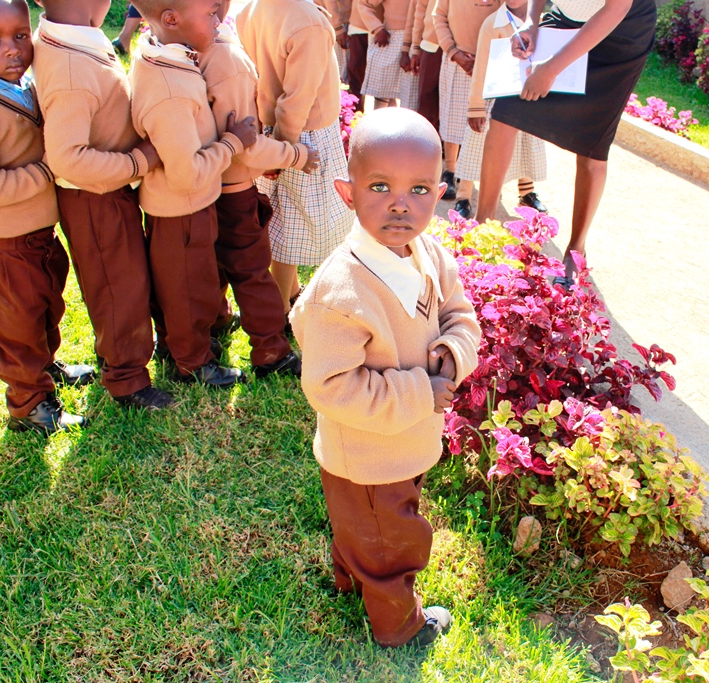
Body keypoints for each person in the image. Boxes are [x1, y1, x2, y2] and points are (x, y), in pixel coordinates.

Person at [291, 108, 480, 648]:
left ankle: (352, 579)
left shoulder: (426, 252)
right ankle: (400, 624)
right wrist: (421, 390)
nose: (402, 204)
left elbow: (460, 314)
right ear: (347, 193)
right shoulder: (341, 292)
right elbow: (330, 386)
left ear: (440, 192)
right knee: (388, 540)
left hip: (406, 440)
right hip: (366, 455)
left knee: (369, 530)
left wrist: (451, 352)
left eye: (419, 189)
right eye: (380, 187)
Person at [0, 0, 95, 434]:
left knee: (47, 307)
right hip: (6, 242)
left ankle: (46, 367)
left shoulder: (18, 83)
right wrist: (49, 168)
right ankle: (28, 403)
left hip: (38, 232)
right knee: (18, 324)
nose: (12, 49)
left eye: (20, 36)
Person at [32, 0, 175, 411]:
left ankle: (117, 355)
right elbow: (67, 156)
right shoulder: (71, 67)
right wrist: (138, 161)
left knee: (124, 279)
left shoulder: (71, 37)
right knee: (118, 286)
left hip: (108, 188)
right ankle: (126, 378)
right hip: (94, 195)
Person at [477, 0, 657, 284]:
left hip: (620, 34)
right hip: (567, 20)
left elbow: (615, 8)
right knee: (506, 110)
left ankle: (576, 249)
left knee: (593, 146)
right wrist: (531, 22)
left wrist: (551, 69)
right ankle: (482, 226)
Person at [128, 0, 257, 388]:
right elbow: (186, 174)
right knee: (188, 288)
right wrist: (233, 144)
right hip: (182, 207)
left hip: (182, 205)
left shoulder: (161, 55)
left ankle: (178, 344)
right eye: (210, 14)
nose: (219, 20)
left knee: (183, 282)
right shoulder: (170, 89)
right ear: (171, 19)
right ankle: (192, 362)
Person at [200, 3, 322, 378]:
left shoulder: (181, 48)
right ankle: (271, 350)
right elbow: (247, 141)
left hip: (206, 182)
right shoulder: (227, 60)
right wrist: (294, 154)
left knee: (214, 262)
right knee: (253, 271)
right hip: (235, 183)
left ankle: (216, 324)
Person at [236, 0, 354, 311]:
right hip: (303, 135)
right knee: (291, 224)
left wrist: (273, 147)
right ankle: (279, 309)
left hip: (273, 129)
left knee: (281, 215)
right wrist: (284, 151)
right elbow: (297, 100)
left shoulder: (253, 9)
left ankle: (289, 293)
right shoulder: (307, 22)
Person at [454, 0, 547, 218]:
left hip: (527, 96)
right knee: (477, 148)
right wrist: (475, 107)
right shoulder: (492, 24)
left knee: (525, 144)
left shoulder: (541, 23)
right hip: (493, 100)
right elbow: (481, 68)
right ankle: (464, 195)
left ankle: (527, 192)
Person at [432, 0, 502, 201]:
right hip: (457, 59)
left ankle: (472, 177)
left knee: (482, 125)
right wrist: (454, 52)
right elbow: (439, 17)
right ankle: (450, 171)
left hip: (491, 62)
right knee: (452, 118)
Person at [359, 0, 409, 108]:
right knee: (383, 92)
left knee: (411, 94)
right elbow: (364, 4)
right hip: (391, 38)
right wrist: (377, 28)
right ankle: (378, 123)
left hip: (419, 41)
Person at [406, 0, 441, 131]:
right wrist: (415, 49)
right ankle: (426, 143)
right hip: (431, 46)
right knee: (427, 101)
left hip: (460, 48)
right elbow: (420, 12)